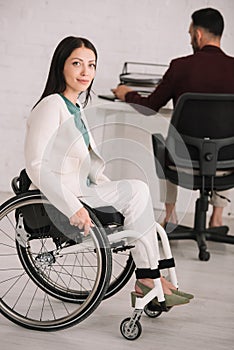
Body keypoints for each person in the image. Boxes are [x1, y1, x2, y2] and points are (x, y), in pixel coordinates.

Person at [24, 36, 193, 308]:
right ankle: (148, 280)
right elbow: (36, 165)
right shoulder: (50, 106)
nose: (85, 72)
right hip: (63, 198)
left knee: (137, 190)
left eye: (91, 65)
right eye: (77, 63)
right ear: (60, 66)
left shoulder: (76, 107)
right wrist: (71, 208)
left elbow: (86, 163)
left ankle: (150, 277)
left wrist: (109, 190)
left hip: (84, 190)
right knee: (136, 192)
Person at [112, 7, 234, 228]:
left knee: (163, 141)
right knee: (224, 141)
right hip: (228, 165)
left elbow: (150, 106)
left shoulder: (181, 66)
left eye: (190, 35)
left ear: (198, 34)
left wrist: (126, 93)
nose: (190, 40)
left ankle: (170, 215)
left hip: (182, 165)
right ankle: (217, 218)